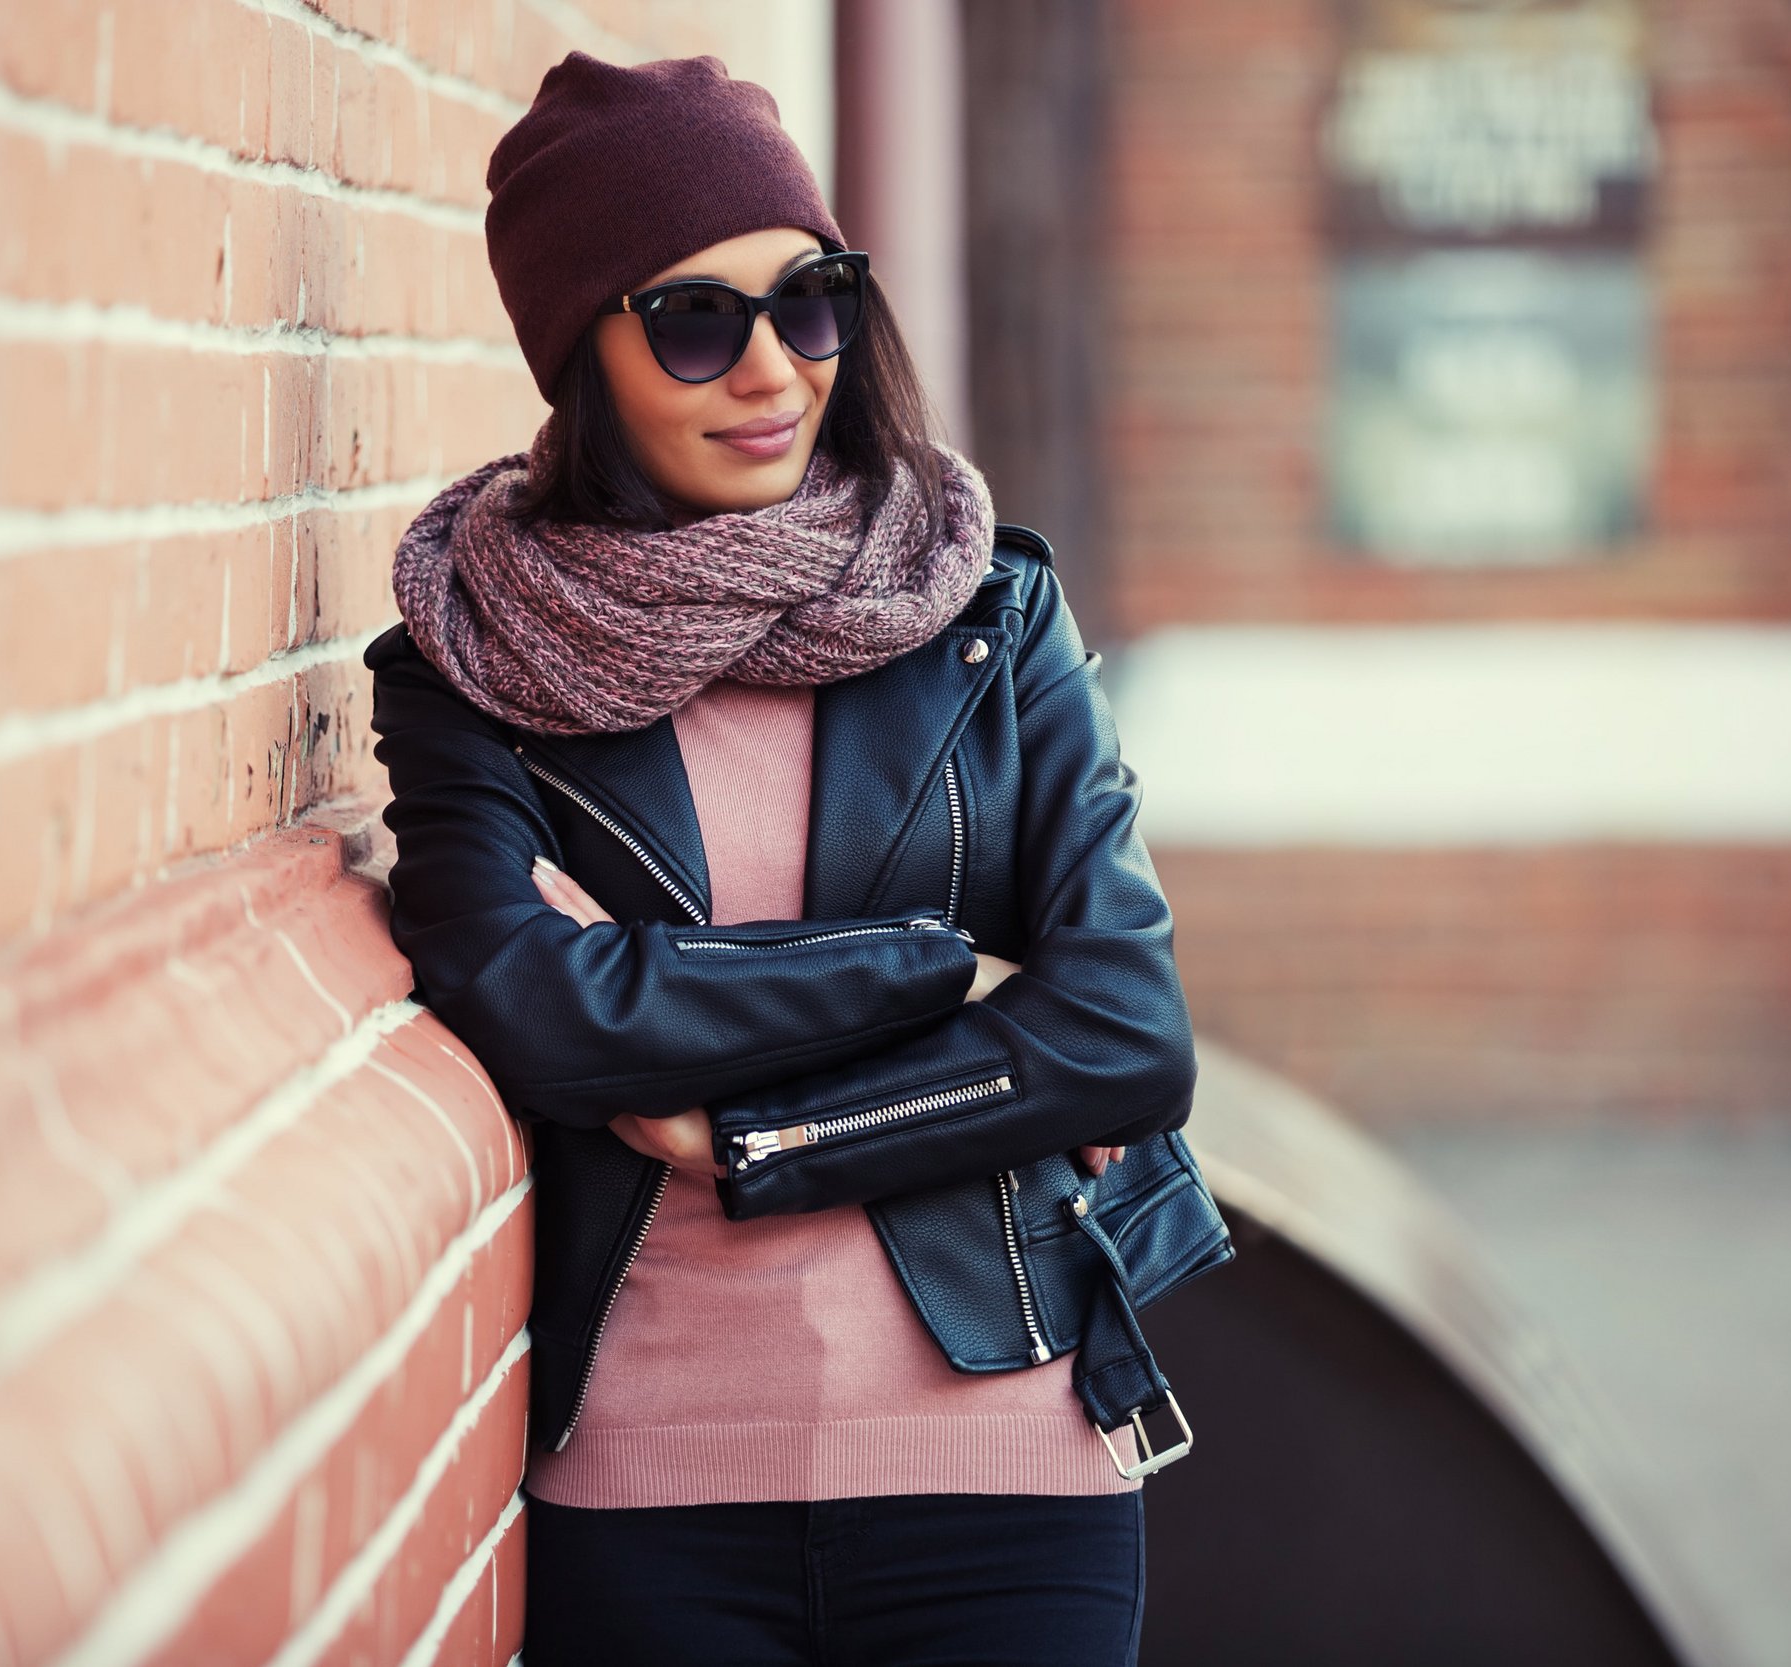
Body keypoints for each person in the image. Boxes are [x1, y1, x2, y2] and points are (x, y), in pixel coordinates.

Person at [364, 49, 1201, 1666]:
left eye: (807, 302)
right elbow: (533, 1009)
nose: (770, 372)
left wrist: (758, 1139)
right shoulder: (473, 661)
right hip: (650, 1511)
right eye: (694, 320)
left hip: (1010, 1487)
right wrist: (938, 972)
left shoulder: (980, 615)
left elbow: (1121, 1032)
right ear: (578, 354)